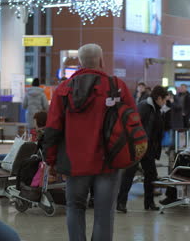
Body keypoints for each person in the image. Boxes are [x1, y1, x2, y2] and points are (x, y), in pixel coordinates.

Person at [44, 43, 135, 241]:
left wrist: (50, 161)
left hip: (73, 162)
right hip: (108, 161)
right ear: (101, 61)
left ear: (79, 62)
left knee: (75, 208)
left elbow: (52, 128)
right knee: (104, 212)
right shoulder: (117, 86)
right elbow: (132, 122)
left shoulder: (63, 89)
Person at [117, 85, 168, 213]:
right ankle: (121, 202)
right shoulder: (144, 107)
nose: (165, 102)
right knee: (129, 174)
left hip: (148, 148)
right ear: (158, 98)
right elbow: (134, 127)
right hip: (137, 147)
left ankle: (149, 203)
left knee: (151, 175)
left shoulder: (156, 109)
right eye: (164, 99)